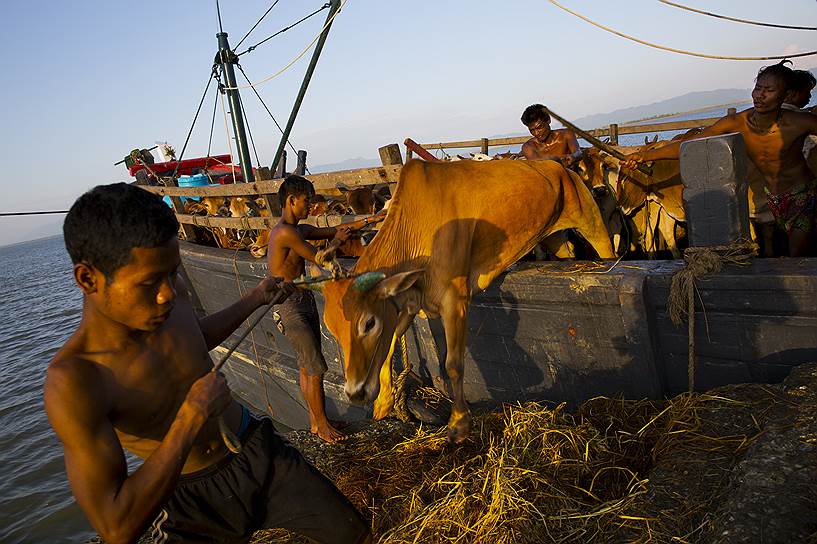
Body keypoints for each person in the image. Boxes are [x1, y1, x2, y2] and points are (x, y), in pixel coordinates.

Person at [45, 183, 370, 544]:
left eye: (173, 272)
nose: (169, 291)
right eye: (151, 281)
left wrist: (255, 298)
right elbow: (115, 525)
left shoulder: (170, 295)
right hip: (185, 499)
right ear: (88, 279)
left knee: (353, 534)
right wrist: (192, 416)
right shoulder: (75, 380)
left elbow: (193, 337)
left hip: (255, 452)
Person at [623, 61, 817, 257]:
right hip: (773, 198)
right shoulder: (738, 123)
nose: (760, 95)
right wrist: (645, 155)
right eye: (758, 88)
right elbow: (689, 144)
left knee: (797, 254)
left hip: (803, 194)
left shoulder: (799, 122)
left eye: (769, 90)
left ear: (784, 96)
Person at [267, 175, 377, 443]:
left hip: (303, 300)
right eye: (306, 201)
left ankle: (317, 422)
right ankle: (323, 427)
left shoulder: (299, 229)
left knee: (308, 367)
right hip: (288, 305)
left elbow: (337, 231)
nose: (309, 207)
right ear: (291, 200)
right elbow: (321, 257)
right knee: (316, 368)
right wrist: (338, 242)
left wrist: (372, 220)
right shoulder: (284, 233)